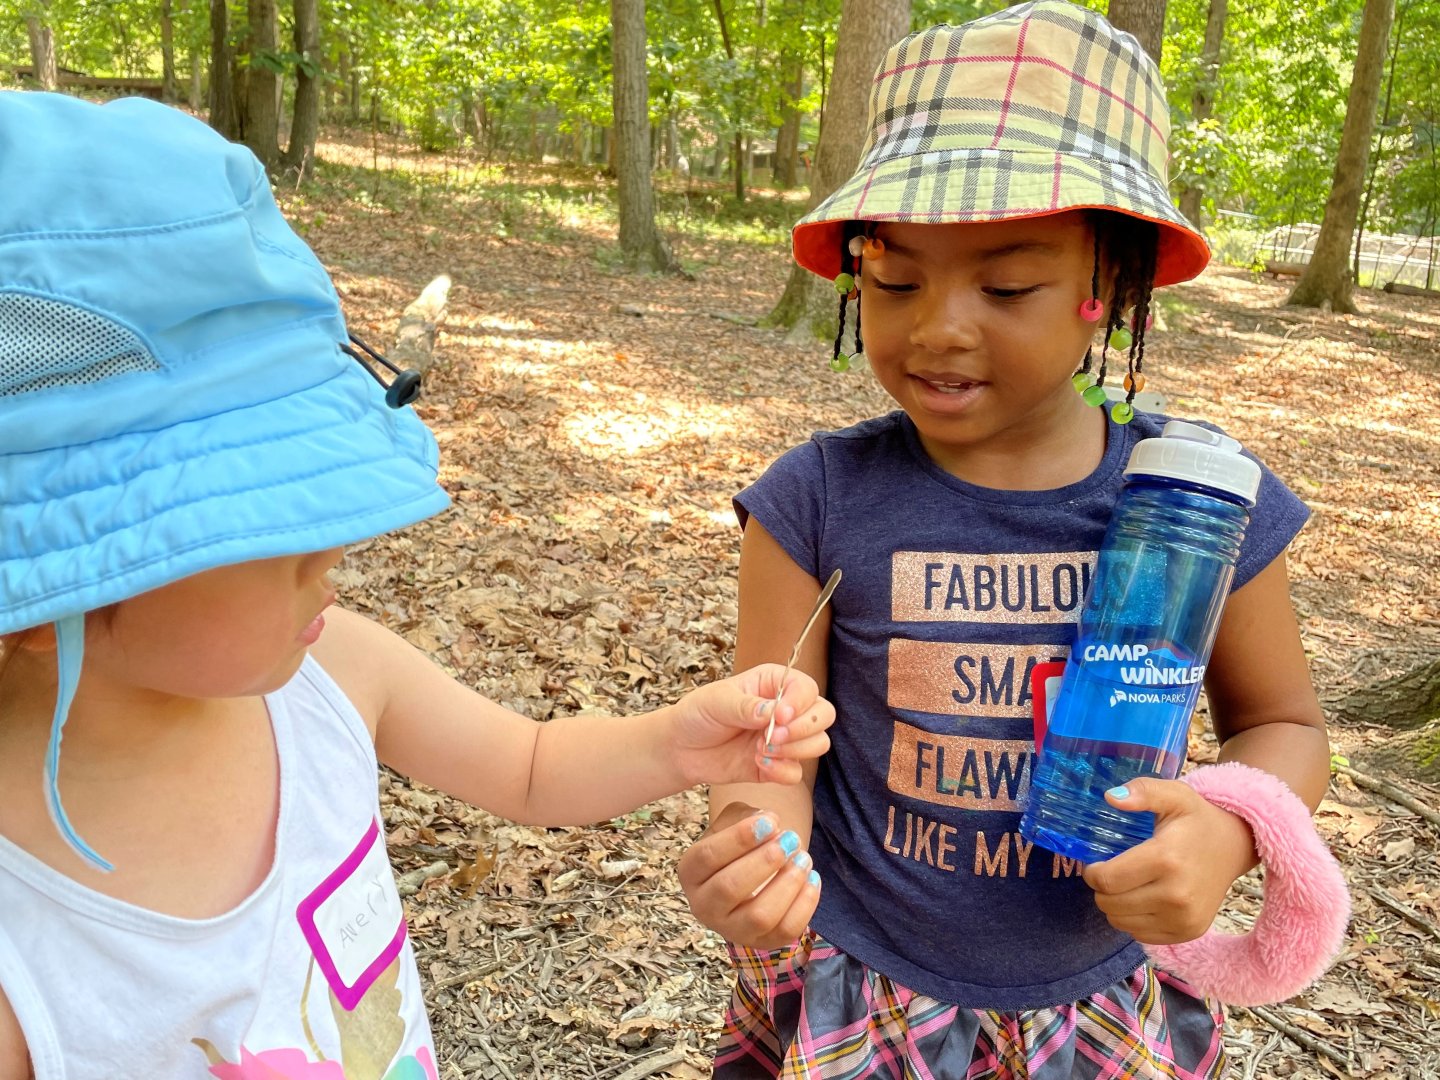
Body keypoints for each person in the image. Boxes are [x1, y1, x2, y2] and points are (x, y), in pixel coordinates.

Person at [0, 93, 835, 1080]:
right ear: (51, 602)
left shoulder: (334, 673)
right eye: (276, 529)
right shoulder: (29, 942)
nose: (337, 547)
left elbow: (527, 768)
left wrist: (676, 742)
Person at [677, 4, 1339, 1077]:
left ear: (1109, 287)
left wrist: (1228, 832)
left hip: (1101, 991)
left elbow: (1284, 725)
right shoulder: (814, 500)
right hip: (866, 981)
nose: (938, 324)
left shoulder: (1202, 503)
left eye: (1007, 284)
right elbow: (770, 743)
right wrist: (758, 849)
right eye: (895, 280)